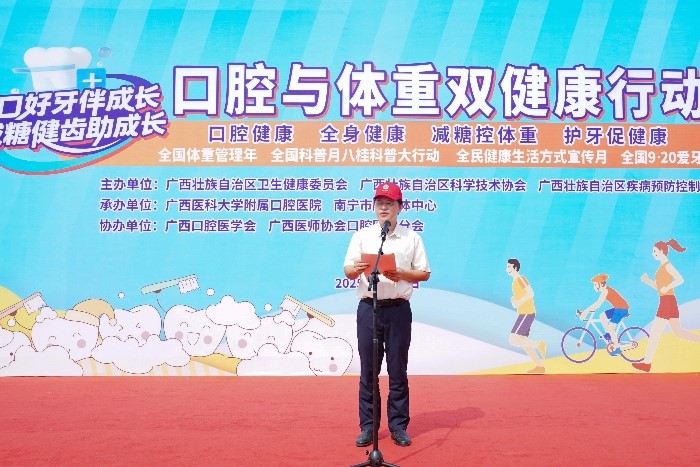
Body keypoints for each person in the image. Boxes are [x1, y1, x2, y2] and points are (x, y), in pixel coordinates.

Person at [343, 181, 430, 448]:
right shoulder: (363, 236)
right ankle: (368, 427)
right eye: (379, 203)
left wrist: (402, 273)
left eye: (389, 203)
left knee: (397, 370)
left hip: (398, 310)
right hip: (369, 308)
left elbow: (424, 273)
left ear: (399, 207)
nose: (383, 208)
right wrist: (358, 269)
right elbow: (348, 271)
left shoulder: (411, 238)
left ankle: (398, 426)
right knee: (368, 371)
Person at [632, 239, 700, 372]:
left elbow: (680, 279)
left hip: (667, 302)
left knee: (655, 333)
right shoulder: (662, 267)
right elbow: (660, 288)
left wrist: (667, 287)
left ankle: (647, 364)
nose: (653, 254)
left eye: (655, 251)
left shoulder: (667, 266)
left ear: (662, 251)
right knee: (679, 332)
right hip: (668, 301)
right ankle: (647, 364)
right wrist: (647, 281)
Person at [505, 258, 546, 374]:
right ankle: (540, 367)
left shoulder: (520, 279)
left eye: (509, 266)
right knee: (523, 342)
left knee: (513, 339)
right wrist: (514, 300)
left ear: (515, 268)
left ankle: (539, 344)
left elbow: (530, 293)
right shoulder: (514, 282)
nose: (507, 269)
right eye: (507, 267)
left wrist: (518, 302)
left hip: (527, 313)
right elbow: (518, 298)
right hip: (524, 312)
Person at [578, 273, 630, 356]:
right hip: (618, 308)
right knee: (602, 316)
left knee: (611, 328)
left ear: (600, 284)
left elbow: (598, 304)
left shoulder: (605, 291)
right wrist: (586, 311)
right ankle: (608, 335)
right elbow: (597, 304)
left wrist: (585, 312)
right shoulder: (605, 290)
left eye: (595, 284)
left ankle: (617, 348)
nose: (594, 286)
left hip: (621, 309)